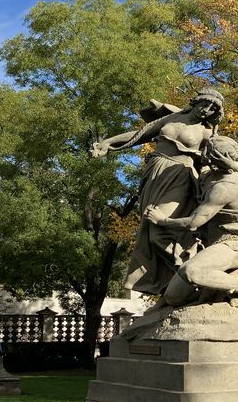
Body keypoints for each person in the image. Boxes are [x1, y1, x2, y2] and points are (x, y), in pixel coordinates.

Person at [94, 89, 225, 297]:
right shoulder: (172, 118)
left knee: (159, 228)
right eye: (205, 105)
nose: (206, 111)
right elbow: (140, 135)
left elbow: (221, 161)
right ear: (197, 101)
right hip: (154, 174)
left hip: (180, 177)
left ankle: (194, 269)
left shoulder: (206, 134)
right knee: (147, 228)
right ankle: (176, 284)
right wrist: (109, 142)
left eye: (212, 110)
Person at [144, 135, 238, 319]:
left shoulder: (224, 188)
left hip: (233, 244)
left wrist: (162, 220)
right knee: (173, 296)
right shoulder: (210, 176)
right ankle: (219, 289)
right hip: (212, 245)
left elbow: (193, 223)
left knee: (192, 271)